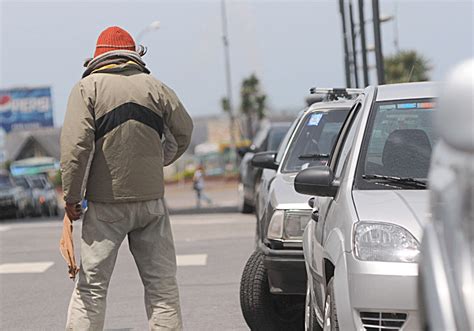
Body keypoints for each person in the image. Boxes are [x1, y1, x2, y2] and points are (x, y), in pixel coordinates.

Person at [60, 26, 193, 330]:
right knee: (162, 289)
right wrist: (157, 162)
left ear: (97, 57)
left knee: (91, 290)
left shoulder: (87, 89)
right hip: (152, 205)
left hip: (105, 208)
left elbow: (76, 149)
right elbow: (183, 133)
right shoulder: (157, 87)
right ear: (134, 55)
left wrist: (72, 198)